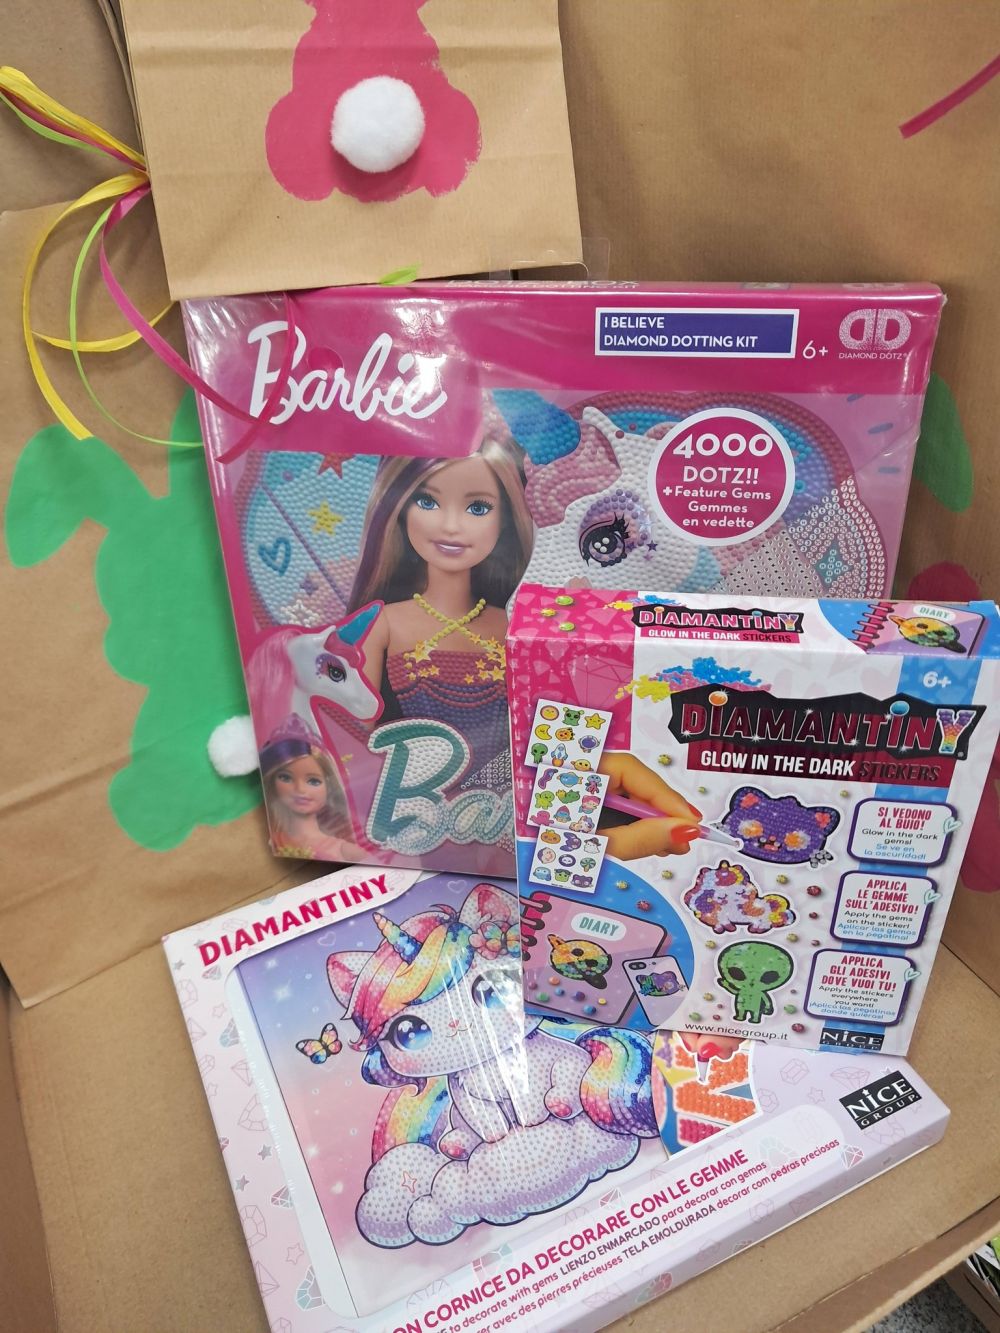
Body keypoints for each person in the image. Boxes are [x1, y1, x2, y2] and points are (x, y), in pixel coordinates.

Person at [347, 439, 531, 786]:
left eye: (478, 507)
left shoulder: (513, 621)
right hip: (410, 793)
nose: (450, 526)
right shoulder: (383, 623)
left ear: (506, 520)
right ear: (400, 509)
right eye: (427, 502)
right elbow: (354, 733)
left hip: (504, 793)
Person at [260, 723, 367, 862]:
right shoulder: (271, 840)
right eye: (286, 778)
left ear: (329, 787)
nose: (300, 789)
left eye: (313, 781)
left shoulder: (345, 851)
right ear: (272, 782)